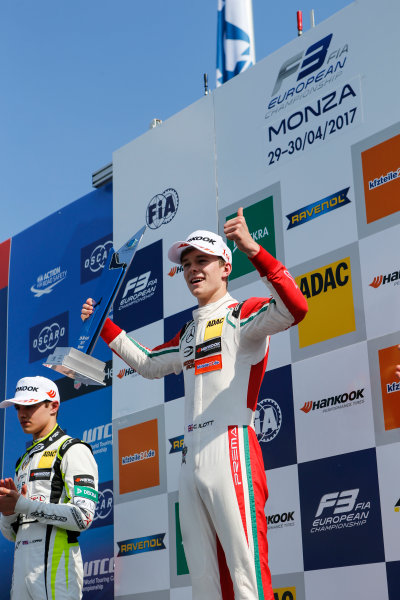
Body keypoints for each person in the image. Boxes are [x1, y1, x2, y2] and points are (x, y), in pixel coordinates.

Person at [82, 208, 308, 600]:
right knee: (204, 581)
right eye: (186, 263)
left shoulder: (244, 314)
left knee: (247, 576)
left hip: (232, 446)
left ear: (225, 266)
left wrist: (255, 249)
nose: (192, 270)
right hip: (191, 459)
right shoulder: (189, 332)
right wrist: (105, 325)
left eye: (202, 260)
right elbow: (149, 363)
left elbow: (295, 308)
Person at [0, 376, 98, 600]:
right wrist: (8, 514)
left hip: (57, 566)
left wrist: (24, 505)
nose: (22, 414)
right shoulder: (23, 460)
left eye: (30, 405)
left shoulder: (73, 450)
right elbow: (12, 534)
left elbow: (83, 517)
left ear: (53, 406)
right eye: (18, 407)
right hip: (22, 567)